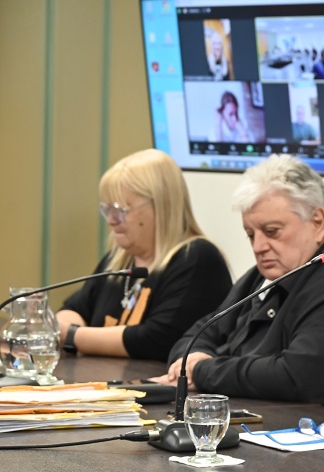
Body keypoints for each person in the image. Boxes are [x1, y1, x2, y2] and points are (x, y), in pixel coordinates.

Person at [157, 154, 324, 413]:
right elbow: (200, 333)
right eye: (250, 234)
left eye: (272, 232)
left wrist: (201, 371)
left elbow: (299, 376)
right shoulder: (268, 273)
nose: (258, 246)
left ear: (317, 222)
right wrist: (190, 360)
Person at [57, 149, 231, 361]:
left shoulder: (196, 257)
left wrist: (72, 336)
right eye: (107, 210)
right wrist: (65, 329)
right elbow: (74, 309)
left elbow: (155, 340)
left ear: (161, 205)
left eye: (120, 209)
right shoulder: (120, 259)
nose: (111, 220)